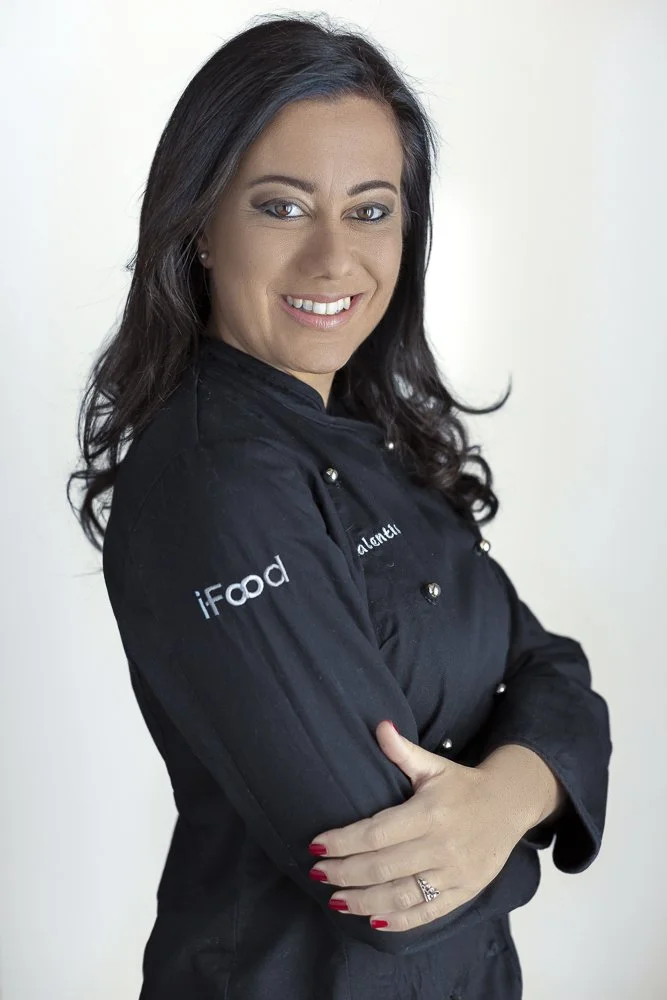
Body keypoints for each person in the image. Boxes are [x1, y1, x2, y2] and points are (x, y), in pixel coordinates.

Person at [67, 13, 612, 1000]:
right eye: (281, 207)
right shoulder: (212, 482)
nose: (334, 259)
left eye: (370, 211)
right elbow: (395, 890)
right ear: (198, 226)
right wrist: (533, 808)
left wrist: (498, 803)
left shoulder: (373, 433)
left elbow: (551, 665)